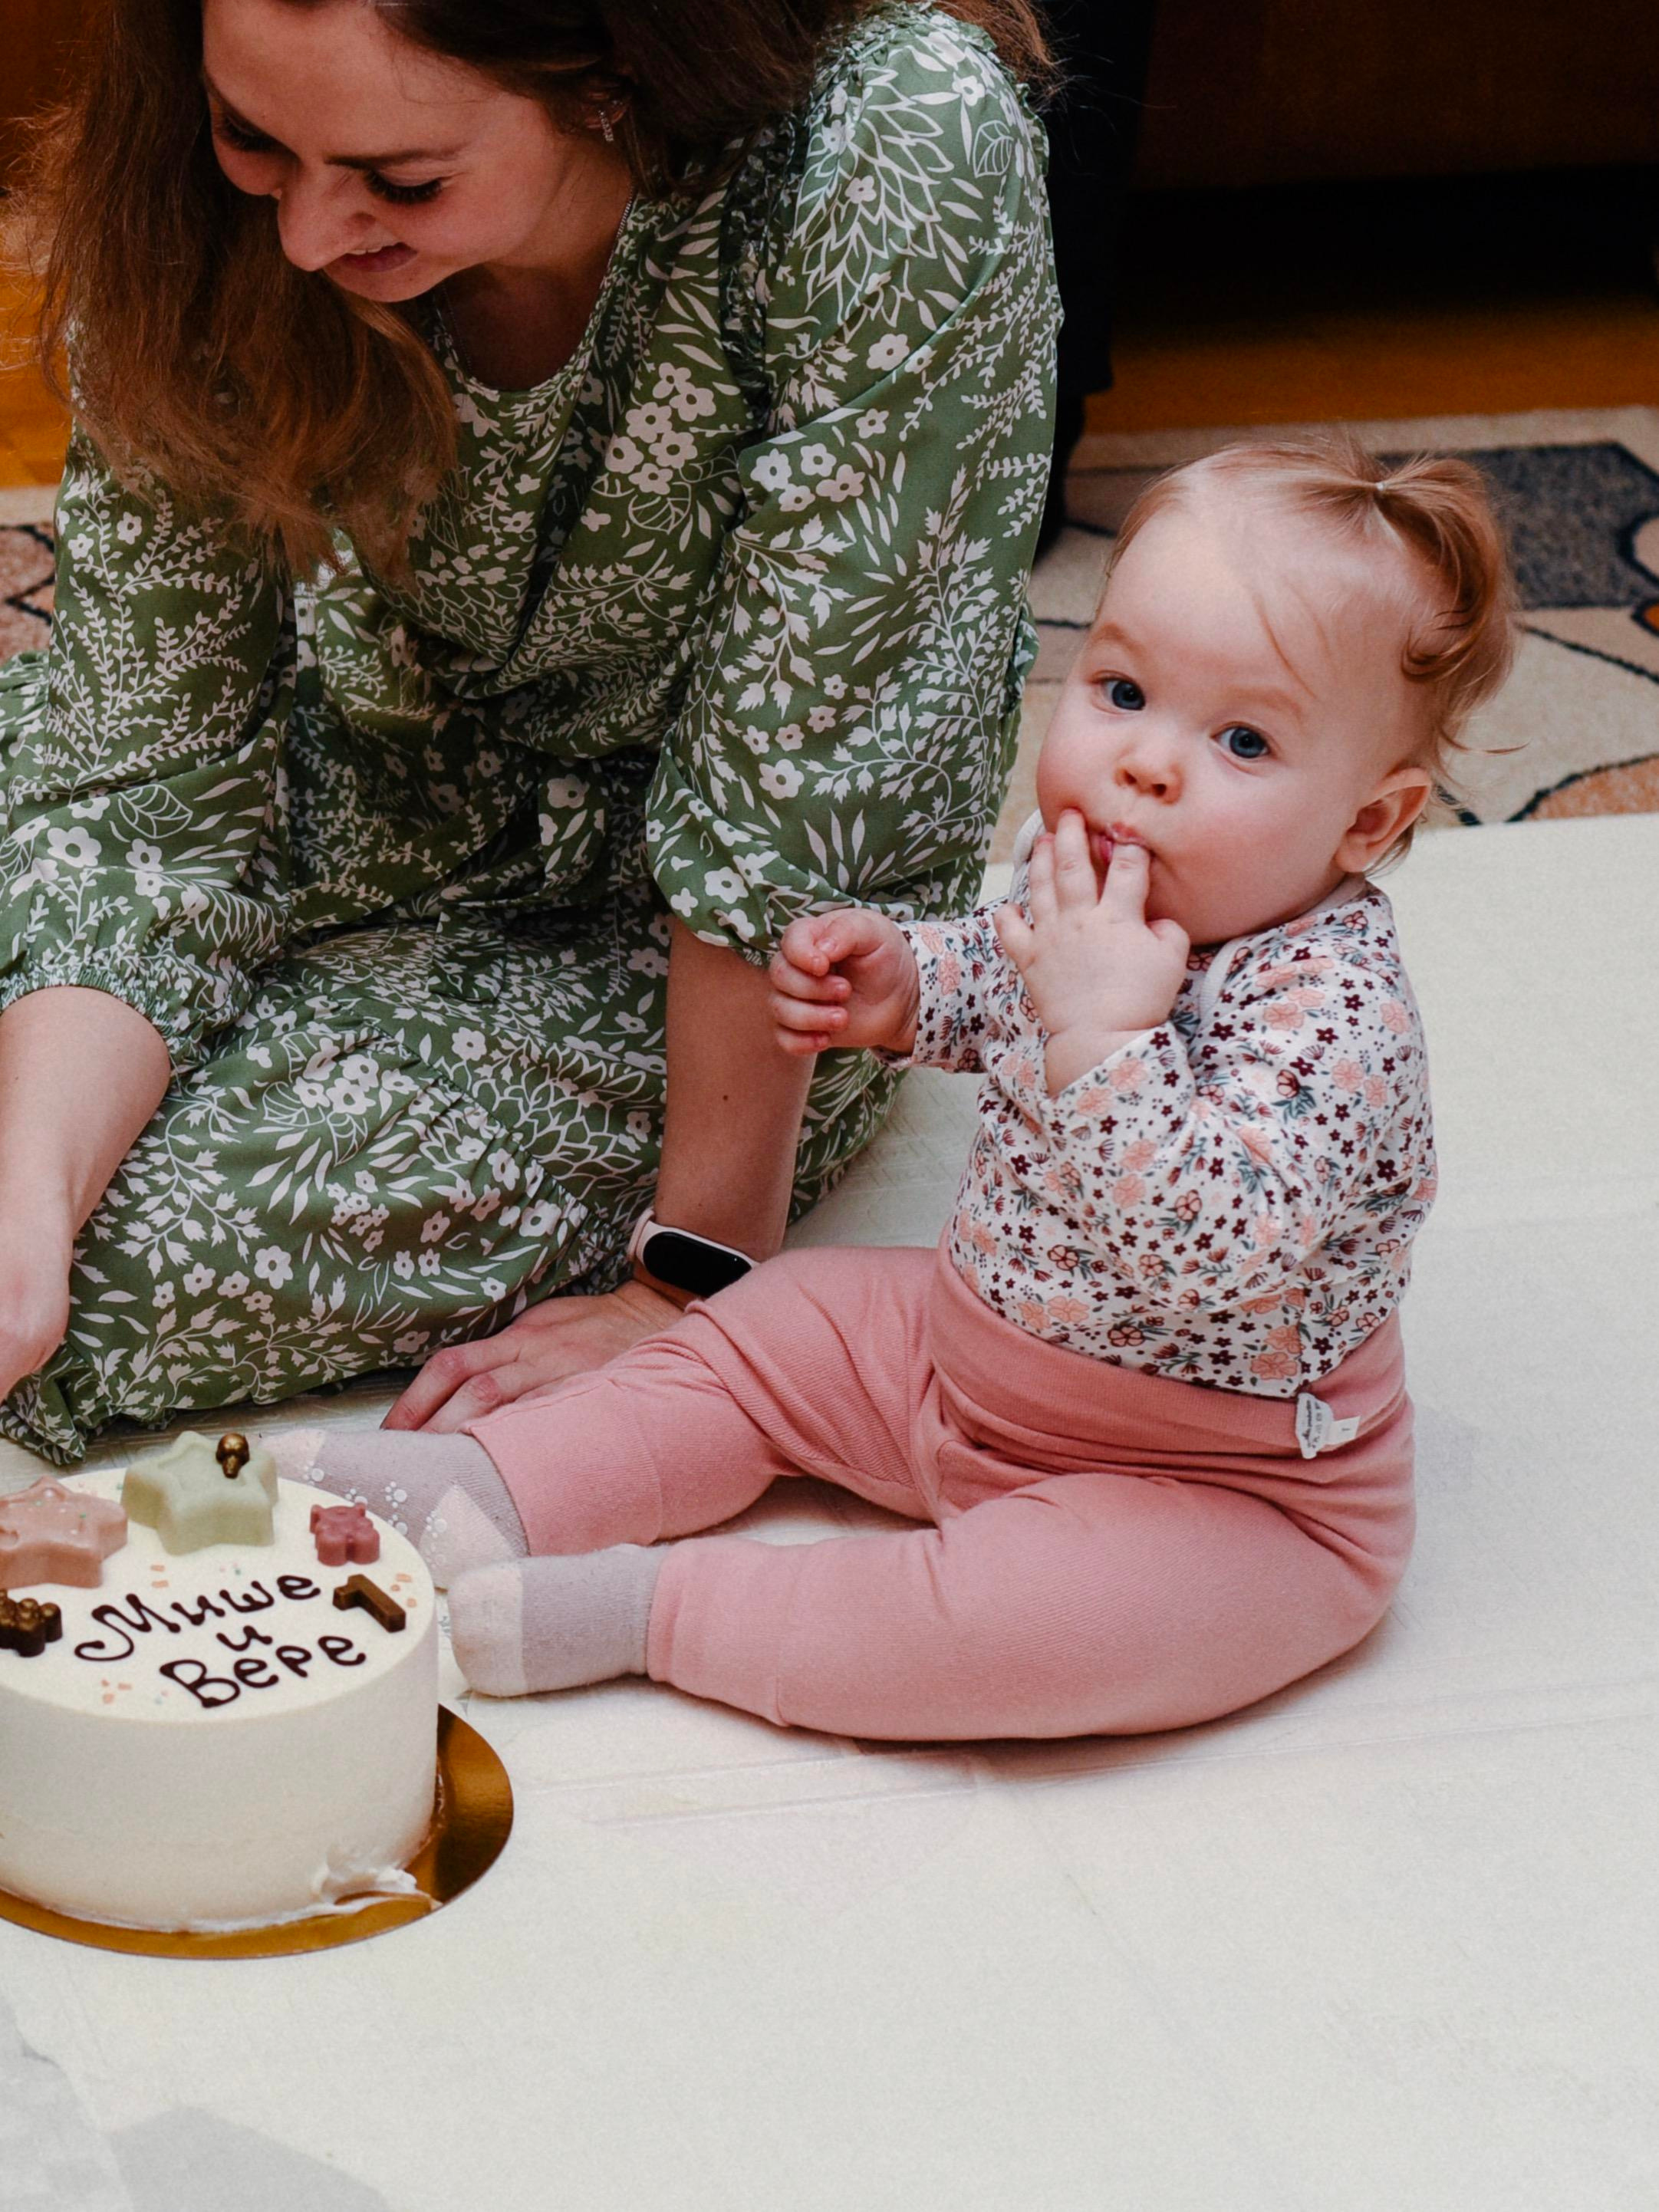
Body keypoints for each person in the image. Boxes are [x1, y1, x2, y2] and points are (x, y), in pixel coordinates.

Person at [283, 432, 1517, 1740]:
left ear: (1369, 823)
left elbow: (1213, 1250)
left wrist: (1107, 1036)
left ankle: (660, 1613)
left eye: (1245, 740)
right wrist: (907, 985)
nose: (1147, 764)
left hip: (1221, 1480)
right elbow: (1002, 969)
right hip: (960, 1360)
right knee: (774, 1323)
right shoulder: (1097, 877)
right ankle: (478, 1494)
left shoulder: (1337, 1014)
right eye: (1119, 689)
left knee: (1027, 1631)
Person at [0, 0, 1058, 1463]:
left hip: (709, 948)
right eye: (256, 141)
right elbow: (148, 774)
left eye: (403, 180)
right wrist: (28, 1189)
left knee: (142, 1261)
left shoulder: (890, 139)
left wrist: (690, 1277)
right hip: (365, 779)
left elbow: (804, 810)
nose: (309, 236)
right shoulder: (203, 190)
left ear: (616, 68)